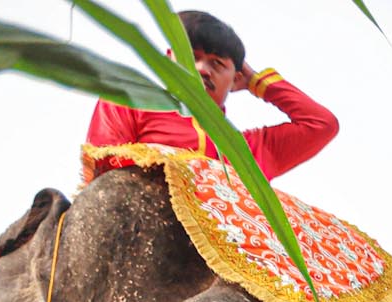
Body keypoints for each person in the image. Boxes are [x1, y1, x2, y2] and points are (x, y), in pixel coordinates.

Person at [83, 10, 338, 179]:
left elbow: (321, 125)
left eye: (217, 64)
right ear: (169, 59)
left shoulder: (249, 152)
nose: (202, 69)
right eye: (192, 57)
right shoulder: (127, 102)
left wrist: (258, 82)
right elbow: (105, 170)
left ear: (236, 79)